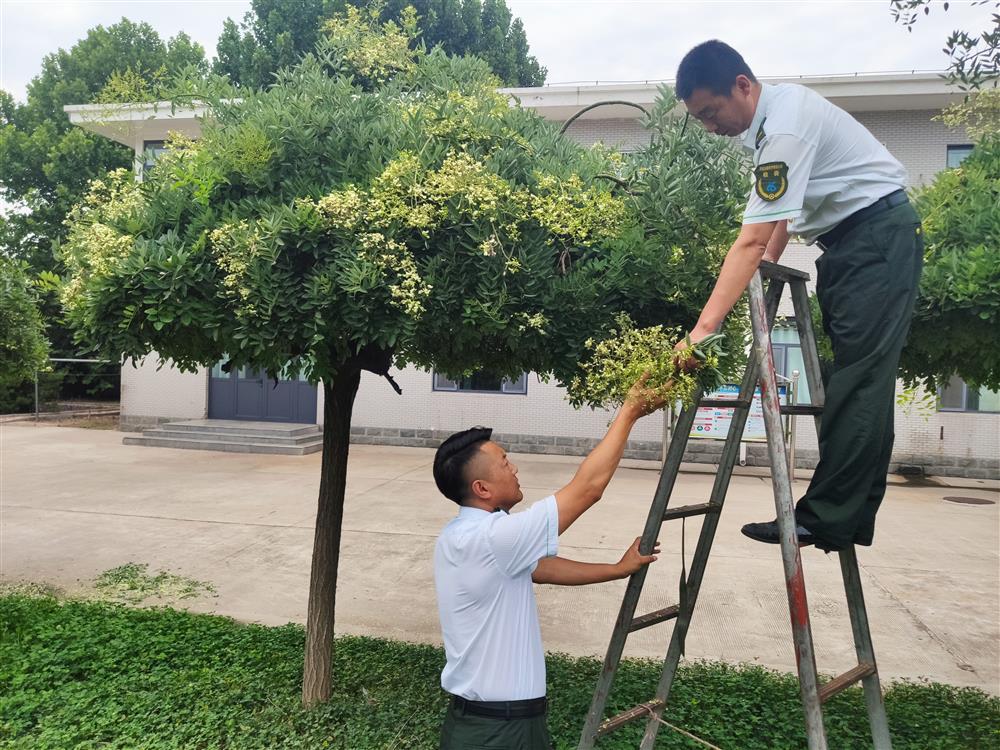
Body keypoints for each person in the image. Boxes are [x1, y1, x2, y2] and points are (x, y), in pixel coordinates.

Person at [673, 40, 924, 552]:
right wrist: (767, 270)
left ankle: (827, 516)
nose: (709, 126)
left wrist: (701, 333)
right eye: (700, 118)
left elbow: (749, 238)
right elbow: (778, 219)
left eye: (711, 112)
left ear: (742, 86)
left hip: (875, 241)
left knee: (860, 381)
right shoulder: (770, 126)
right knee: (856, 380)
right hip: (852, 246)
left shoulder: (785, 123)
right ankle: (847, 517)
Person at [432, 377, 664, 749]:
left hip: (496, 722)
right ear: (482, 488)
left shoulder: (462, 536)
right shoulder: (493, 539)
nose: (515, 468)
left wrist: (617, 569)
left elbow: (540, 568)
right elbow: (588, 489)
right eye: (505, 462)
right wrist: (631, 410)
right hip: (498, 731)